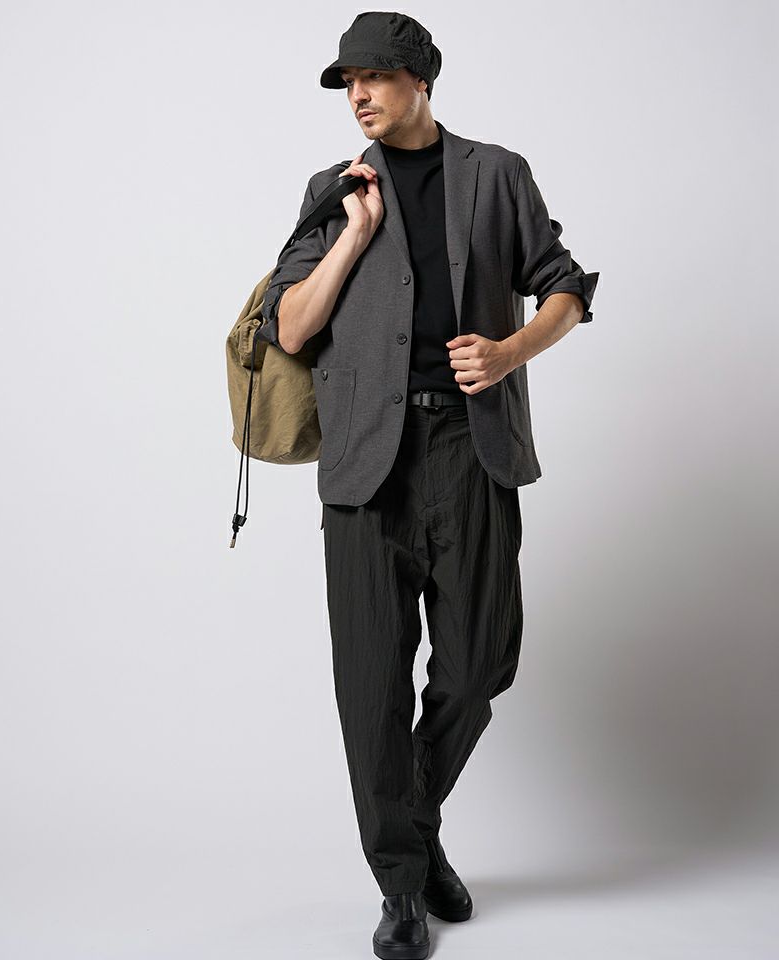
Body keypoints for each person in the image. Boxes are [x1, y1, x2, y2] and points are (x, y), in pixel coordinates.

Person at [259, 12, 599, 959]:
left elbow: (567, 285)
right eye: (347, 82)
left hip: (470, 448)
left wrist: (511, 350)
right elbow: (291, 326)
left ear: (421, 79)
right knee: (370, 686)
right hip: (365, 459)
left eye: (373, 76)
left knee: (482, 661)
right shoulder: (335, 189)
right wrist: (354, 233)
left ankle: (408, 821)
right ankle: (403, 886)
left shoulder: (497, 174)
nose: (358, 96)